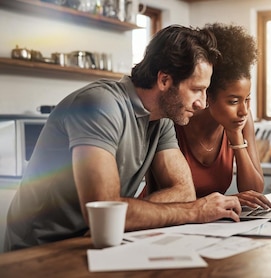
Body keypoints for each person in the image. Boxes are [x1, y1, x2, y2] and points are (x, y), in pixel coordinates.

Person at [4, 24, 242, 252]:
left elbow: (183, 192)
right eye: (196, 89)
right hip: (42, 251)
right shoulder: (99, 105)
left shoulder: (162, 120)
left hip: (98, 241)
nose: (201, 103)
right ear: (164, 80)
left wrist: (125, 214)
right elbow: (106, 212)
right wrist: (194, 211)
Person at [142, 22, 271, 210]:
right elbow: (163, 194)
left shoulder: (241, 121)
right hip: (160, 219)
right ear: (207, 95)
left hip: (208, 223)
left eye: (247, 99)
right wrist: (226, 200)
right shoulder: (175, 119)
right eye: (234, 101)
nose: (244, 111)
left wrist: (235, 136)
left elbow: (254, 192)